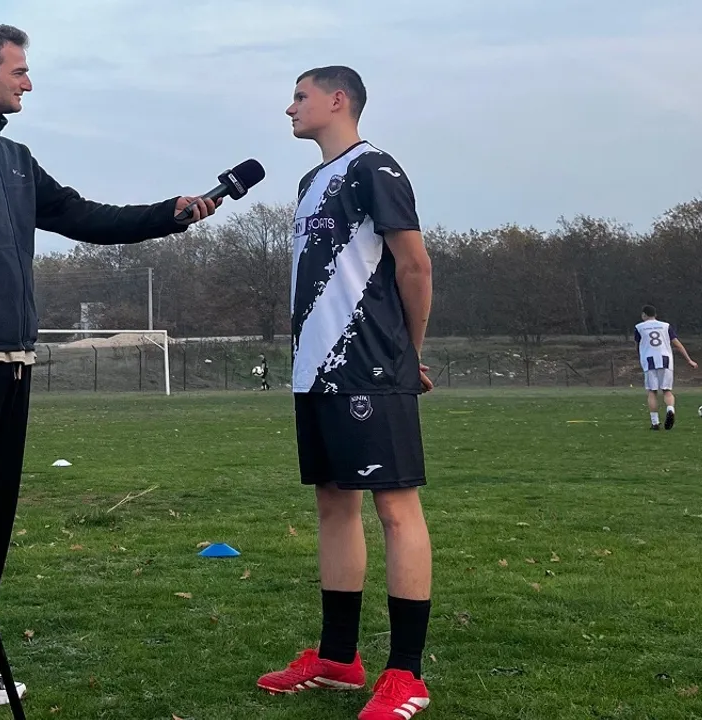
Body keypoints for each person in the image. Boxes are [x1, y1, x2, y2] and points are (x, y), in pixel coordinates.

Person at [0, 24, 220, 720]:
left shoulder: (17, 161)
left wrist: (171, 214)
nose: (28, 83)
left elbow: (83, 215)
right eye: (19, 71)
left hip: (12, 365)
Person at [256, 66, 435, 720]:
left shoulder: (374, 168)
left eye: (299, 96)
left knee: (396, 509)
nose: (290, 108)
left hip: (369, 368)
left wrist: (408, 351)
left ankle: (407, 674)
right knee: (334, 504)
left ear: (337, 101)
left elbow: (414, 265)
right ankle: (338, 659)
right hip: (314, 372)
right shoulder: (311, 183)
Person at [634, 305, 697, 430]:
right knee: (667, 390)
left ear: (644, 315)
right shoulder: (665, 326)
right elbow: (678, 344)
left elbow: (637, 346)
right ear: (655, 315)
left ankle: (655, 422)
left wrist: (640, 356)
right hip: (665, 359)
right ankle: (670, 409)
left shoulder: (639, 327)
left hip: (649, 360)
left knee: (652, 392)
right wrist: (689, 360)